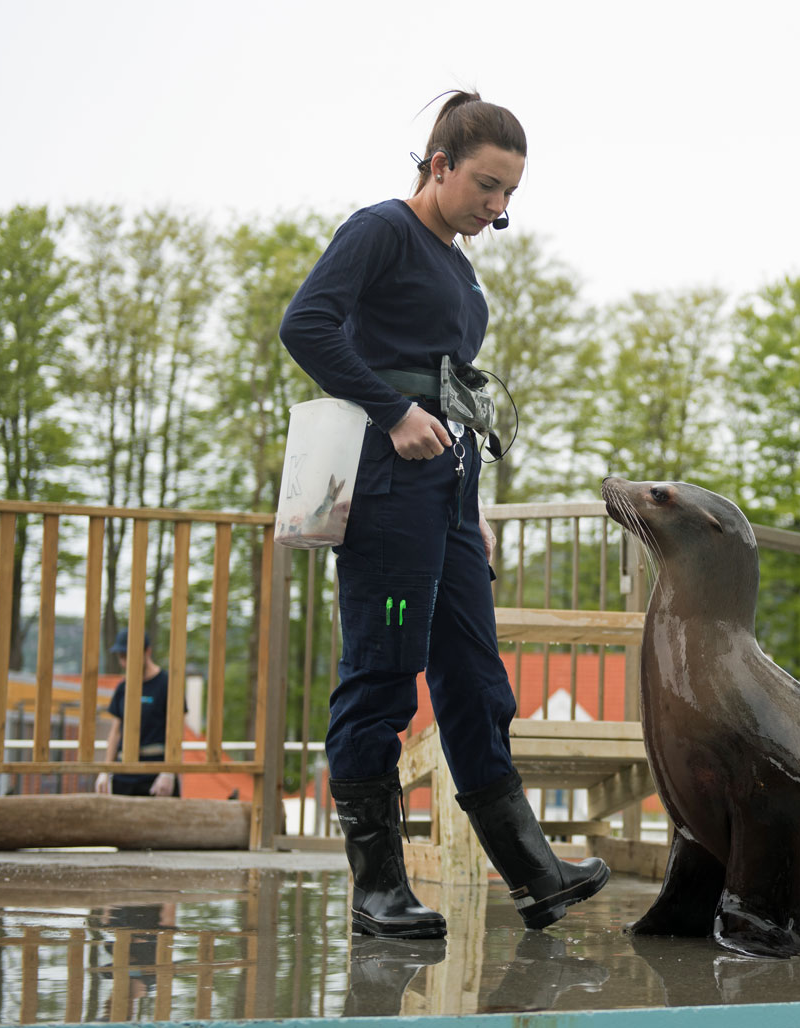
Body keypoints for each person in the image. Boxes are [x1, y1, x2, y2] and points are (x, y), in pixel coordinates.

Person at [279, 90, 608, 940]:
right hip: (387, 483)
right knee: (382, 676)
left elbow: (452, 388)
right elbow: (306, 325)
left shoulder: (459, 265)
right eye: (488, 187)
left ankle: (535, 875)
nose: (498, 208)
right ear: (440, 166)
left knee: (474, 678)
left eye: (510, 195)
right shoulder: (381, 230)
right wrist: (391, 410)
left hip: (449, 490)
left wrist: (472, 503)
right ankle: (377, 891)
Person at [95, 629, 181, 798]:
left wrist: (169, 772)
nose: (124, 662)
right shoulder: (123, 687)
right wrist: (105, 771)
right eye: (121, 657)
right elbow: (116, 732)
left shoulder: (167, 684)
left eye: (127, 656)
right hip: (124, 775)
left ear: (147, 652)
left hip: (155, 776)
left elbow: (177, 731)